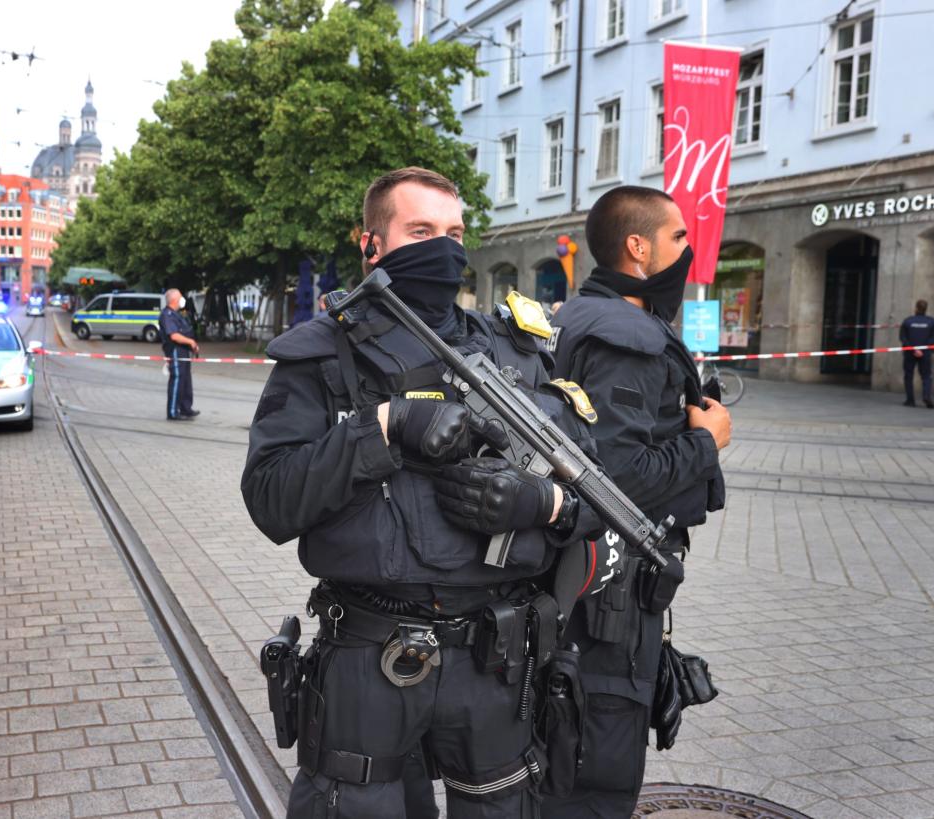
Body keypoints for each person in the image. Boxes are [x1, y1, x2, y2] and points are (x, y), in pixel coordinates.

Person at [242, 167, 603, 819]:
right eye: (420, 231)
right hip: (367, 658)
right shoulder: (323, 354)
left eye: (454, 232)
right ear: (370, 245)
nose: (444, 247)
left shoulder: (514, 350)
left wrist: (537, 503)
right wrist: (384, 426)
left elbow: (595, 498)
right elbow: (270, 497)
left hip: (496, 664)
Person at [541, 186, 729, 819]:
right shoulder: (626, 335)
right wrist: (706, 444)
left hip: (574, 578)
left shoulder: (573, 315)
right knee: (598, 766)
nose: (689, 249)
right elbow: (616, 476)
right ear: (637, 247)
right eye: (679, 237)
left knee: (559, 742)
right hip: (609, 599)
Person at [160, 289, 199, 420]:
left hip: (183, 350)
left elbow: (185, 331)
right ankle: (172, 411)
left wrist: (191, 344)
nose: (183, 299)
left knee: (186, 380)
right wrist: (191, 342)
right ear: (174, 300)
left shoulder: (177, 314)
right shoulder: (167, 315)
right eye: (181, 297)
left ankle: (185, 408)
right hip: (175, 351)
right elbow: (174, 335)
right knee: (177, 379)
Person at [900, 299, 934, 409]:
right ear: (926, 309)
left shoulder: (908, 321)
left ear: (916, 308)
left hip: (909, 353)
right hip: (925, 353)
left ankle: (910, 400)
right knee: (926, 376)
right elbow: (933, 338)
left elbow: (903, 337)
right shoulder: (932, 322)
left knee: (908, 376)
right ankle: (926, 396)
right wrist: (922, 350)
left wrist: (913, 350)